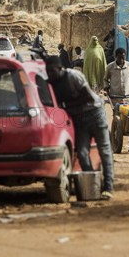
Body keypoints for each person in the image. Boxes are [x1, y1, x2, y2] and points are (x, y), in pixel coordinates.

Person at [45, 55, 114, 200]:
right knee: (82, 153)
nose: (50, 74)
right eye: (48, 71)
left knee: (105, 151)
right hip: (79, 119)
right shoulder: (52, 82)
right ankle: (92, 184)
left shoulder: (73, 76)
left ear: (60, 68)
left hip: (94, 113)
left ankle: (108, 188)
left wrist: (68, 107)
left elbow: (88, 97)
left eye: (52, 71)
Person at [104, 47, 129, 152]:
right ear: (116, 57)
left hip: (128, 97)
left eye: (123, 57)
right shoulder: (110, 67)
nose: (122, 60)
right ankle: (114, 141)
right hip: (115, 98)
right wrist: (106, 87)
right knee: (117, 120)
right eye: (120, 57)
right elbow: (105, 79)